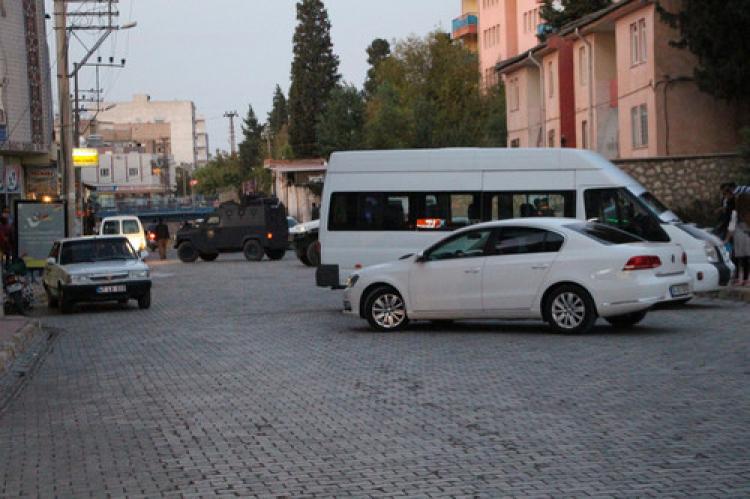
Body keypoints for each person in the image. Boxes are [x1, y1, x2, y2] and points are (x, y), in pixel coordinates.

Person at [726, 200, 750, 286]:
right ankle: (746, 279)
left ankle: (737, 279)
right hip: (747, 236)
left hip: (738, 237)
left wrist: (727, 239)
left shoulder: (735, 213)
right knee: (747, 259)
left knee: (737, 259)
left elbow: (731, 227)